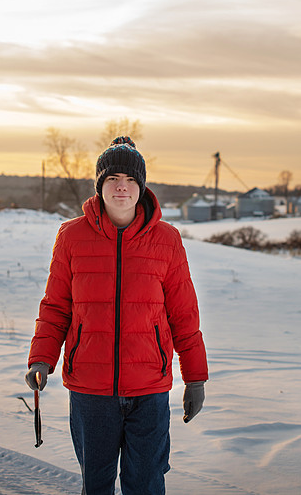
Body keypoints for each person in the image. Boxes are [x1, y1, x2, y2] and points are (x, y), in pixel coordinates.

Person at [25, 136, 208, 495]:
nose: (121, 187)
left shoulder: (167, 239)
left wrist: (196, 378)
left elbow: (183, 314)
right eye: (112, 179)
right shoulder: (72, 236)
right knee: (96, 485)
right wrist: (41, 359)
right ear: (100, 186)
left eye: (129, 179)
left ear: (140, 186)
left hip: (149, 390)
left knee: (146, 484)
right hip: (90, 391)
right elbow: (57, 306)